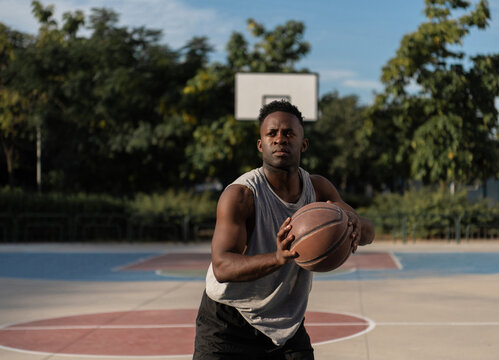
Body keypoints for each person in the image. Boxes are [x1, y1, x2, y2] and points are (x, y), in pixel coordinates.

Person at [193, 100, 374, 359]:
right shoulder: (241, 195)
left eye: (289, 133)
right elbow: (222, 267)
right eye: (272, 133)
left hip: (285, 325)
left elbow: (368, 233)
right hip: (228, 322)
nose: (280, 139)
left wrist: (355, 225)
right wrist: (277, 259)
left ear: (303, 144)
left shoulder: (319, 190)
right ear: (260, 145)